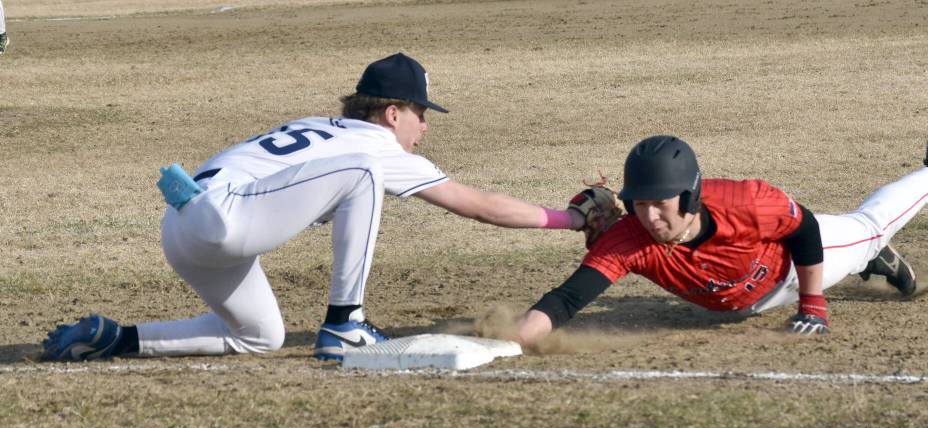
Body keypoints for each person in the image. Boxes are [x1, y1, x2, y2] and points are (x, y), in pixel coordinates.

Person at [42, 53, 586, 361]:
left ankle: (117, 339)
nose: (426, 125)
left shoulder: (320, 128)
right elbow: (480, 206)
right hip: (224, 215)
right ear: (392, 112)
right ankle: (346, 324)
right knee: (363, 174)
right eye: (421, 111)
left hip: (185, 225)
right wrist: (574, 218)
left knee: (259, 337)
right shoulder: (372, 146)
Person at [512, 134, 928, 345]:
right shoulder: (628, 238)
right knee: (740, 301)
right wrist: (514, 342)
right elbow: (566, 301)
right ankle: (868, 259)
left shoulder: (747, 201)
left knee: (867, 228)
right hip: (739, 299)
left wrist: (812, 307)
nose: (650, 215)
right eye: (640, 202)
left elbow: (804, 230)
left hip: (794, 265)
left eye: (662, 202)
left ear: (690, 195)